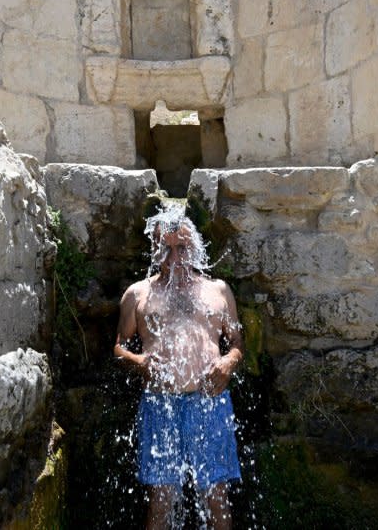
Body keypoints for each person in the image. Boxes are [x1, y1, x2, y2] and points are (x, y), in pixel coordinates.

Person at [114, 207, 243, 530]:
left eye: (181, 248)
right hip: (161, 404)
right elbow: (118, 348)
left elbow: (237, 342)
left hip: (209, 402)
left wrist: (228, 362)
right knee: (160, 501)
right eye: (165, 248)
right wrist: (140, 362)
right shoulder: (137, 294)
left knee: (217, 497)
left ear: (195, 247)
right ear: (154, 249)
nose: (173, 256)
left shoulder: (218, 290)